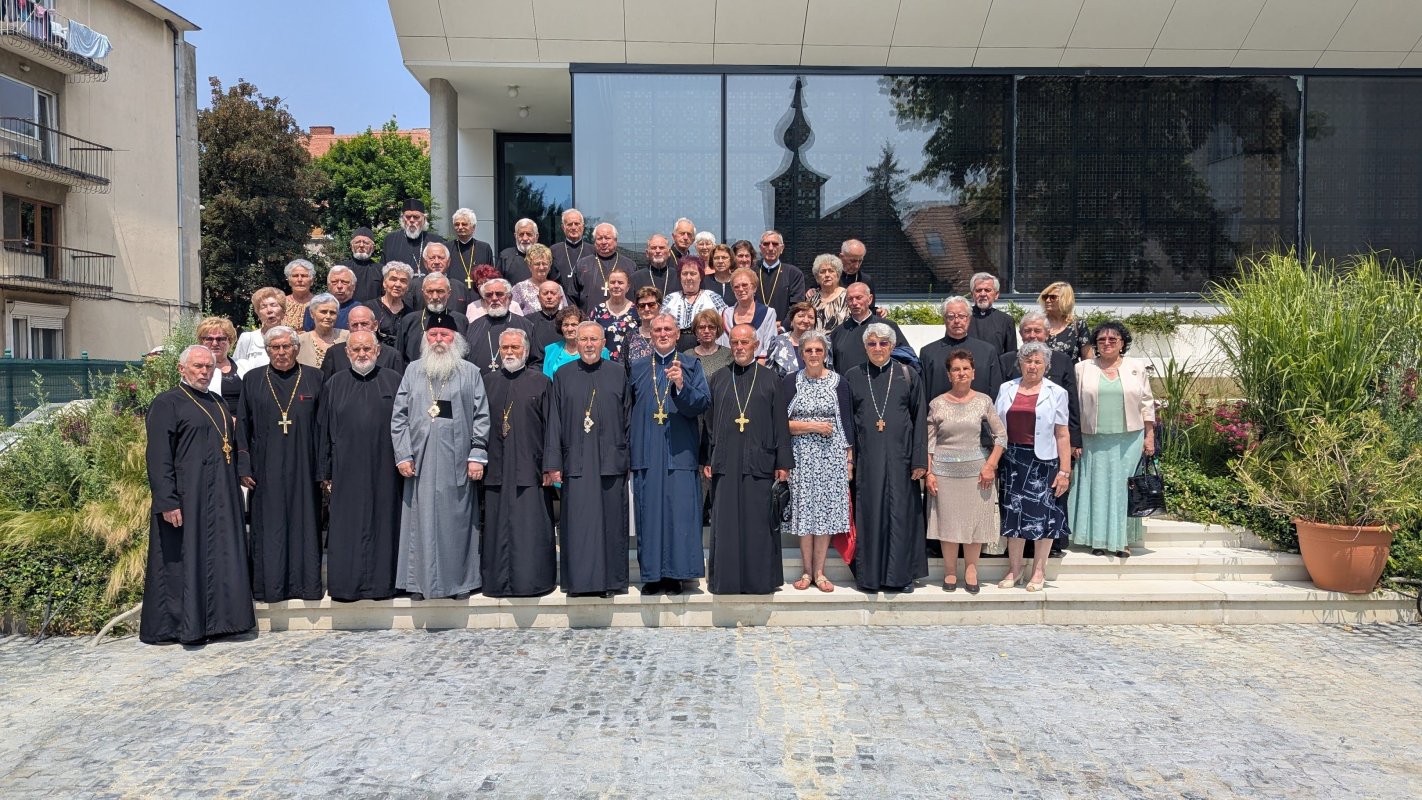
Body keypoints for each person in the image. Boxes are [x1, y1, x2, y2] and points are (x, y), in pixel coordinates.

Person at [141, 344, 256, 645]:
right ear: (182, 369)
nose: (204, 372)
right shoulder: (167, 403)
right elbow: (158, 456)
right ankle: (183, 627)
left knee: (221, 557)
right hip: (185, 498)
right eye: (198, 366)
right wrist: (166, 500)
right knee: (183, 562)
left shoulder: (218, 402)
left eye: (209, 367)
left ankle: (223, 623)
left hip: (221, 496)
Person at [391, 322, 491, 600]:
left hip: (457, 460)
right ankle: (419, 583)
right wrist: (403, 455)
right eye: (433, 334)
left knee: (457, 523)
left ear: (455, 339)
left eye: (444, 335)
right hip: (419, 462)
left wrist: (477, 456)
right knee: (419, 522)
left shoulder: (470, 373)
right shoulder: (413, 371)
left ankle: (460, 583)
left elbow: (482, 415)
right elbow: (399, 416)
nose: (438, 339)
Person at [236, 326, 325, 603]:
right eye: (275, 347)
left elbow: (324, 427)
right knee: (269, 527)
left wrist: (323, 469)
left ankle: (306, 586)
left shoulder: (315, 377)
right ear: (267, 349)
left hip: (305, 466)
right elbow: (243, 427)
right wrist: (244, 464)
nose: (281, 352)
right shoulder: (252, 379)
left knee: (305, 524)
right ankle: (270, 588)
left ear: (297, 348)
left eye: (287, 346)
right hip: (265, 467)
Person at [544, 321, 632, 598]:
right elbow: (554, 421)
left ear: (604, 343)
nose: (589, 345)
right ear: (576, 343)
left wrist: (627, 458)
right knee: (579, 523)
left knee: (611, 523)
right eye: (584, 340)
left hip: (610, 461)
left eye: (595, 339)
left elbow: (628, 419)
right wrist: (553, 462)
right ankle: (579, 583)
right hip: (577, 461)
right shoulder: (562, 374)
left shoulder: (618, 373)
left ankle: (611, 582)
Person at [703, 324, 792, 595]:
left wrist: (783, 462)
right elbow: (707, 423)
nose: (740, 347)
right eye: (735, 343)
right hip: (725, 461)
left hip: (760, 461)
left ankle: (759, 580)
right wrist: (706, 457)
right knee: (726, 522)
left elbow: (780, 423)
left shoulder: (770, 379)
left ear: (756, 345)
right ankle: (726, 581)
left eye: (745, 342)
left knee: (758, 523)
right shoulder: (718, 378)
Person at [316, 330, 403, 601]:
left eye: (367, 349)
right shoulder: (333, 384)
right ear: (347, 353)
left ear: (378, 351)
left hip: (386, 468)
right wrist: (325, 471)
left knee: (385, 522)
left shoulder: (395, 381)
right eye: (356, 350)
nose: (362, 354)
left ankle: (384, 585)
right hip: (346, 468)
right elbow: (323, 430)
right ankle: (347, 586)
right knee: (348, 526)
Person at [628, 314, 711, 595]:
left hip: (679, 450)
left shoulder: (690, 364)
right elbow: (627, 411)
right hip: (647, 450)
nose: (662, 334)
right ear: (650, 335)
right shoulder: (638, 366)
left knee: (679, 515)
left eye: (668, 330)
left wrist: (681, 386)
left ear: (677, 335)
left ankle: (677, 575)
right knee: (649, 514)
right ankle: (652, 576)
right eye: (657, 330)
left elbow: (702, 403)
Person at [846, 323, 928, 594]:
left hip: (901, 458)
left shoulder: (908, 375)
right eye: (872, 343)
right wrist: (849, 459)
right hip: (867, 460)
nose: (878, 348)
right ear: (864, 346)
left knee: (900, 515)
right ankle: (868, 577)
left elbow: (919, 419)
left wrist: (919, 460)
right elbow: (846, 423)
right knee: (870, 515)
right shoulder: (853, 376)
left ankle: (900, 576)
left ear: (892, 346)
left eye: (883, 343)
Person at [481, 329, 557, 598]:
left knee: (530, 530)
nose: (510, 352)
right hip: (496, 468)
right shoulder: (487, 381)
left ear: (525, 350)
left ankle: (532, 582)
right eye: (505, 348)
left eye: (515, 347)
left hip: (530, 468)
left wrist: (550, 465)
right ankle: (497, 583)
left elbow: (552, 427)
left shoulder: (541, 382)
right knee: (497, 529)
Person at [1001, 311, 1082, 557]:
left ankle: (1049, 554)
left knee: (1045, 507)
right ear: (1020, 334)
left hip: (1046, 454)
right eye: (1028, 331)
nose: (1033, 335)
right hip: (1013, 456)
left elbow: (1069, 414)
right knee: (1014, 510)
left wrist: (1073, 446)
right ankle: (1015, 563)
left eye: (1038, 330)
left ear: (1047, 334)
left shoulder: (1061, 363)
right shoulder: (1006, 364)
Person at [1072, 321, 1156, 559]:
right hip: (1092, 438)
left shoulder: (1136, 367)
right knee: (1095, 488)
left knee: (1122, 489)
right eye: (1101, 340)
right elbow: (1074, 407)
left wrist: (1149, 436)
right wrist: (1074, 439)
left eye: (1113, 339)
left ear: (1122, 343)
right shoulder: (1083, 368)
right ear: (1095, 345)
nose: (1107, 343)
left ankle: (1121, 541)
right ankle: (1096, 539)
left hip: (1129, 437)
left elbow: (1147, 403)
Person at [926, 349, 1008, 593]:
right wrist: (929, 473)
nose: (960, 373)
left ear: (973, 373)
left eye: (965, 369)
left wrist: (990, 466)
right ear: (949, 374)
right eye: (955, 369)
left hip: (978, 474)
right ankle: (950, 571)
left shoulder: (984, 401)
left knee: (975, 524)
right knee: (948, 523)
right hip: (944, 472)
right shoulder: (937, 403)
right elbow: (929, 443)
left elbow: (1001, 436)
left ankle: (972, 569)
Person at [994, 342, 1072, 592]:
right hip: (1011, 460)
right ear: (1020, 363)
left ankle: (1039, 571)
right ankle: (1015, 569)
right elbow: (997, 427)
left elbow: (1062, 433)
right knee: (1013, 515)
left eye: (1038, 362)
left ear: (1046, 366)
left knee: (1045, 516)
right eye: (1028, 361)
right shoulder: (1006, 388)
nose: (1032, 366)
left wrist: (1064, 471)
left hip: (1044, 462)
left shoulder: (1057, 392)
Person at [784, 330, 853, 594]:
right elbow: (780, 423)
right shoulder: (791, 382)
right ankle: (805, 571)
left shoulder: (839, 382)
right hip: (800, 457)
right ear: (801, 354)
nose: (813, 355)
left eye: (818, 350)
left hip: (830, 458)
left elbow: (846, 423)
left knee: (824, 515)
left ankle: (820, 572)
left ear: (826, 353)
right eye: (808, 350)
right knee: (804, 513)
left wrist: (849, 459)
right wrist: (811, 426)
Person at [920, 296, 1003, 402]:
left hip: (979, 416)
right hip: (939, 416)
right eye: (951, 317)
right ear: (944, 319)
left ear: (969, 318)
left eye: (961, 316)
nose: (956, 321)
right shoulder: (928, 353)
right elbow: (922, 394)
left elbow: (996, 392)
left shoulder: (987, 351)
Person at [830, 283, 908, 375]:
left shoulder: (888, 327)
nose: (854, 303)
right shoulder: (838, 332)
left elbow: (907, 358)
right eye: (850, 299)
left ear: (870, 299)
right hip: (849, 386)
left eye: (859, 298)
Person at [465, 278, 539, 373]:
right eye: (489, 295)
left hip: (516, 385)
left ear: (510, 298)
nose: (494, 298)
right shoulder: (474, 326)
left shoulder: (525, 325)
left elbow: (536, 362)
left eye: (499, 294)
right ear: (484, 300)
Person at [395, 273, 470, 364]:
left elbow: (466, 356)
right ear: (423, 293)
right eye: (430, 291)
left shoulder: (460, 320)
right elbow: (398, 358)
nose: (435, 297)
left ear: (449, 293)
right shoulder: (409, 320)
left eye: (440, 291)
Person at [320, 305, 405, 380]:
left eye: (364, 324)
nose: (359, 329)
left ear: (375, 325)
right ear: (348, 327)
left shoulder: (392, 356)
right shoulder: (334, 354)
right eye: (354, 325)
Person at [663, 256, 727, 352]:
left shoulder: (712, 297)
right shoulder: (670, 298)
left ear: (701, 276)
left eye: (693, 273)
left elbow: (725, 324)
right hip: (675, 348)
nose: (688, 278)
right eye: (684, 274)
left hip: (706, 349)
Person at [571, 222, 638, 313]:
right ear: (594, 241)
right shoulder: (583, 264)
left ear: (615, 240)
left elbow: (636, 296)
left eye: (607, 238)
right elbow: (572, 296)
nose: (603, 242)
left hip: (622, 320)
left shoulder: (629, 265)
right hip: (590, 321)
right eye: (599, 238)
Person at [720, 267, 777, 360]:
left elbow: (770, 346)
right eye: (736, 287)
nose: (741, 289)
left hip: (759, 368)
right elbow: (723, 345)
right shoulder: (726, 314)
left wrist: (757, 368)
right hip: (731, 366)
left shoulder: (768, 313)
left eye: (745, 285)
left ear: (754, 287)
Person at [381, 198, 445, 277]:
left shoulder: (436, 240)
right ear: (402, 218)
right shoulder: (390, 240)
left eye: (416, 217)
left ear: (424, 219)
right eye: (408, 217)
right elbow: (384, 271)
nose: (411, 220)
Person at [756, 229, 807, 324]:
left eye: (775, 244)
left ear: (782, 248)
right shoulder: (752, 272)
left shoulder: (793, 273)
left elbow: (797, 305)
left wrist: (784, 325)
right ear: (760, 248)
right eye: (766, 244)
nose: (770, 248)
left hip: (783, 330)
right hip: (755, 329)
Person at [589, 266, 638, 362]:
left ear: (628, 287)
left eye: (620, 283)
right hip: (604, 364)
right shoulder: (598, 310)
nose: (616, 286)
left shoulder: (637, 310)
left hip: (632, 364)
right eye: (612, 282)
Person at [544, 306, 608, 379]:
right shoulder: (550, 349)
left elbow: (605, 376)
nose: (570, 329)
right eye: (565, 325)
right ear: (560, 327)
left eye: (574, 325)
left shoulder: (601, 350)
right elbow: (546, 381)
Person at [234, 287, 287, 377]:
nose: (269, 310)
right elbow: (237, 368)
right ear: (258, 314)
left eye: (273, 305)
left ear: (283, 311)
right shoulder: (248, 338)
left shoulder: (293, 337)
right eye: (264, 306)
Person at [196, 317, 242, 416]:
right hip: (213, 424)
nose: (215, 343)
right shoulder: (195, 369)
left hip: (244, 425)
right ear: (201, 341)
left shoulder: (245, 365)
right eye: (209, 339)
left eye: (221, 339)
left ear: (230, 341)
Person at [366, 261, 415, 350]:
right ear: (384, 283)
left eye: (403, 281)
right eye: (393, 279)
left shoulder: (410, 314)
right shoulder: (368, 308)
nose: (397, 284)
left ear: (407, 287)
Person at [967, 272, 1017, 359]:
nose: (983, 294)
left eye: (987, 290)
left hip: (995, 371)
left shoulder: (1006, 320)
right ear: (972, 295)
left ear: (996, 295)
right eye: (978, 290)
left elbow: (1010, 356)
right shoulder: (962, 317)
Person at [410, 242, 472, 312]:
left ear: (448, 262)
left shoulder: (460, 287)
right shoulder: (413, 286)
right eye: (432, 258)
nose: (436, 262)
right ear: (425, 263)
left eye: (441, 258)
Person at [1040, 280, 1092, 363]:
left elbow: (1087, 360)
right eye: (1045, 297)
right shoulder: (1038, 323)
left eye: (1052, 297)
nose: (1047, 300)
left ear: (1065, 299)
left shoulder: (1078, 325)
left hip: (1069, 375)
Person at [765, 301, 819, 377]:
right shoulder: (777, 342)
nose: (806, 320)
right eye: (801, 316)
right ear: (791, 320)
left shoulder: (822, 343)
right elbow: (767, 372)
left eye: (811, 317)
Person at [447, 207, 496, 290]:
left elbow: (490, 275)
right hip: (455, 293)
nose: (460, 227)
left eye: (464, 224)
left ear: (473, 227)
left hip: (478, 294)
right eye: (457, 224)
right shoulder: (447, 248)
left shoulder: (484, 248)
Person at [296, 293, 350, 369]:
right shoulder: (300, 341)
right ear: (312, 313)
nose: (328, 316)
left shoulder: (347, 337)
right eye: (323, 312)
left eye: (332, 313)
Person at [302, 265, 361, 331]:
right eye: (334, 282)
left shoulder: (360, 310)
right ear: (328, 286)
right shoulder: (314, 307)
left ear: (353, 286)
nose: (339, 286)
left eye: (344, 282)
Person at [510, 243, 561, 314]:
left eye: (545, 263)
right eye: (537, 264)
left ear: (550, 266)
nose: (541, 267)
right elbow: (513, 315)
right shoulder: (519, 289)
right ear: (529, 266)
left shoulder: (557, 287)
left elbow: (565, 313)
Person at [805, 253, 849, 331]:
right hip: (816, 341)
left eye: (831, 271)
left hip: (841, 341)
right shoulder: (812, 298)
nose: (827, 275)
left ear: (838, 275)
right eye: (822, 272)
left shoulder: (848, 296)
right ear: (817, 278)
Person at [550, 208, 589, 294]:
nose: (573, 227)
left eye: (577, 224)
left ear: (583, 226)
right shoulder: (553, 250)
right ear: (563, 227)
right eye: (569, 224)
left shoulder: (592, 251)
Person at [684, 309, 732, 378]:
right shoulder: (687, 356)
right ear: (696, 331)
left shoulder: (728, 354)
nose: (706, 331)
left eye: (711, 327)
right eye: (701, 327)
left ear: (718, 330)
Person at [341, 227, 384, 303]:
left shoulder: (381, 270)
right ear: (351, 247)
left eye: (366, 243)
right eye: (357, 242)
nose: (361, 245)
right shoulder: (341, 268)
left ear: (373, 248)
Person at [527, 279, 570, 355]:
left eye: (553, 293)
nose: (549, 297)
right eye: (545, 293)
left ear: (561, 298)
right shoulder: (527, 322)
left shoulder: (569, 321)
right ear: (538, 298)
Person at [498, 217, 545, 285]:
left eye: (529, 234)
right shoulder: (505, 256)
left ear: (536, 236)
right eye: (521, 234)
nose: (525, 238)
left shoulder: (545, 256)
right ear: (515, 236)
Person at [622, 286, 663, 363]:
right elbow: (623, 366)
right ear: (637, 309)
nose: (646, 309)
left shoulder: (666, 334)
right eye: (642, 306)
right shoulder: (629, 337)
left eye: (651, 305)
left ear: (659, 307)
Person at [631, 234, 678, 298]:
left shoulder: (678, 276)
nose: (658, 251)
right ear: (647, 253)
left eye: (661, 248)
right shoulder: (635, 278)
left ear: (669, 252)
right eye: (653, 248)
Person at [281, 258, 317, 329]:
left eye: (304, 276)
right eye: (295, 276)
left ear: (311, 281)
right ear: (289, 281)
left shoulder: (319, 303)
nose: (299, 280)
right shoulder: (281, 303)